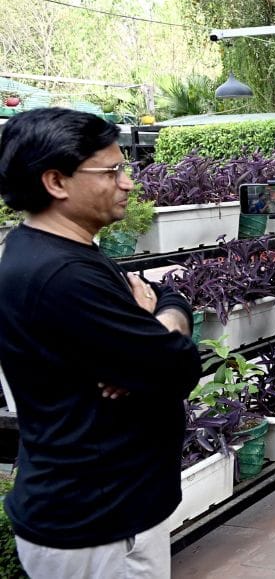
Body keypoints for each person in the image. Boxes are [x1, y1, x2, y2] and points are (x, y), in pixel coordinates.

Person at [0, 108, 201, 577]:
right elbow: (178, 367)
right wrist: (157, 333)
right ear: (56, 182)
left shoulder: (70, 250)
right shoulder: (61, 275)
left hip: (116, 510)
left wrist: (151, 326)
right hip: (93, 524)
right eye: (112, 171)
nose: (128, 182)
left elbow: (165, 297)